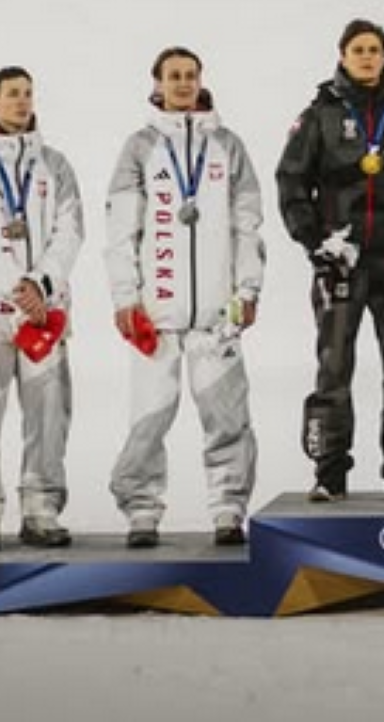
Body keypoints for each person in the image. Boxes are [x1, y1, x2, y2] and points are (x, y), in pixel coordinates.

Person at [105, 46, 264, 548]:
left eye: (190, 75)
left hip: (217, 317)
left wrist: (248, 288)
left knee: (228, 418)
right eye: (173, 75)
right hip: (158, 317)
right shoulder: (140, 147)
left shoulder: (227, 146)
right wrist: (125, 298)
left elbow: (247, 225)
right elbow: (120, 232)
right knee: (148, 420)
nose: (182, 83)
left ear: (200, 80)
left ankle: (228, 509)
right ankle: (141, 511)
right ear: (157, 83)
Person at [276, 19, 384, 502]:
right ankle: (329, 472)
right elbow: (291, 182)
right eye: (358, 49)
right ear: (342, 55)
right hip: (340, 261)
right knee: (334, 368)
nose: (367, 57)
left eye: (374, 49)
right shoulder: (318, 116)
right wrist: (315, 241)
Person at [0, 66, 84, 552]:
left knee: (48, 416)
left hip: (44, 314)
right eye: (12, 94)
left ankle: (41, 509)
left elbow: (71, 233)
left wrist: (39, 284)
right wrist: (14, 286)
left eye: (27, 93)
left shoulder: (54, 164)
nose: (22, 101)